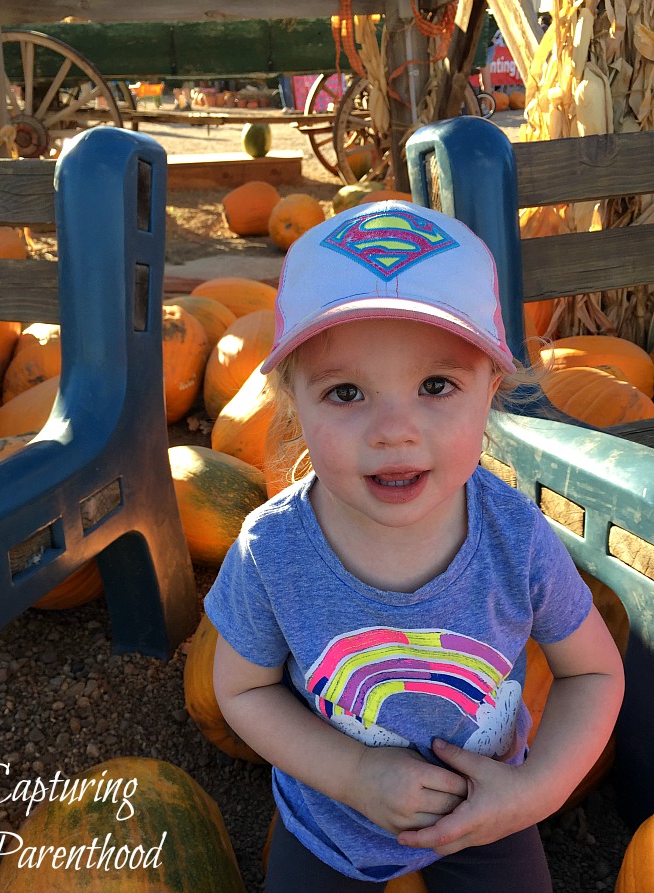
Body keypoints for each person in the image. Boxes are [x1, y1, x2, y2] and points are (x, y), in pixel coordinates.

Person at [204, 201, 624, 893]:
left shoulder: (514, 538)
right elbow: (241, 688)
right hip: (331, 820)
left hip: (488, 811)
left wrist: (533, 794)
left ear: (493, 386)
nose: (393, 430)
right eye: (345, 391)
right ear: (289, 399)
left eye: (437, 385)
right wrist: (353, 774)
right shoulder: (272, 548)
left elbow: (593, 674)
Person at [472, 10, 497, 93]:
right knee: (484, 80)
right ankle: (486, 103)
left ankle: (486, 104)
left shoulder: (490, 17)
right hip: (485, 46)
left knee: (485, 80)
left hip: (486, 48)